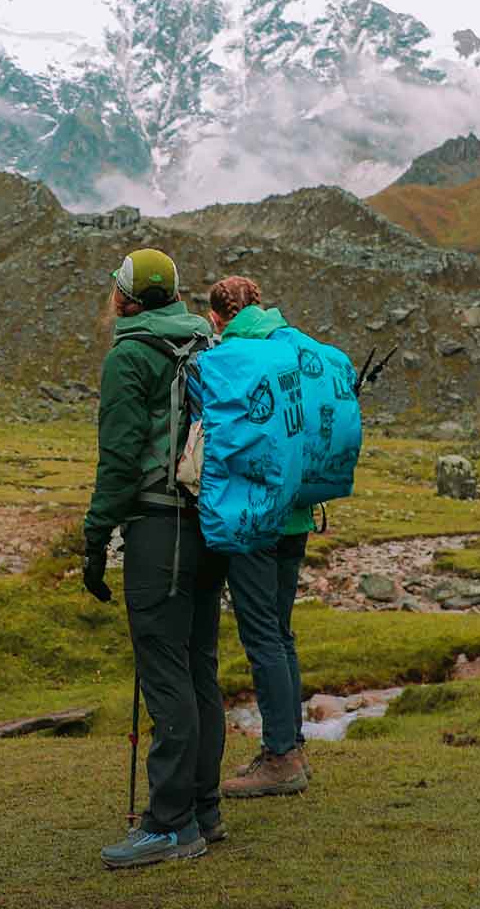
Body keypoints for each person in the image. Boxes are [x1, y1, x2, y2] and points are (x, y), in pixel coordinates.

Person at [82, 248, 227, 869]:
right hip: (208, 525)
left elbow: (119, 458)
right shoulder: (205, 343)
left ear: (129, 299)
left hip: (157, 529)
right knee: (198, 668)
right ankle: (204, 808)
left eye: (117, 288)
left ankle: (171, 826)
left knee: (164, 675)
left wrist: (95, 537)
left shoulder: (130, 355)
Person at [207, 277, 313, 798]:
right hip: (296, 515)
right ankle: (290, 743)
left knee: (262, 637)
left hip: (254, 520)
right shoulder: (289, 345)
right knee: (282, 632)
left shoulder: (232, 357)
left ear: (217, 318)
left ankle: (281, 759)